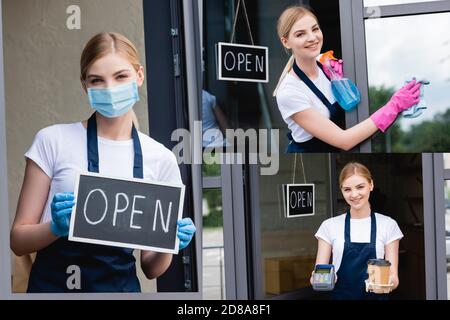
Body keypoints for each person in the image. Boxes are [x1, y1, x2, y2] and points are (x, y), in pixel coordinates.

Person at [9, 32, 196, 293]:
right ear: (85, 85)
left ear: (139, 76)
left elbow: (151, 269)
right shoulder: (52, 140)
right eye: (97, 80)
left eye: (121, 76)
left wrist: (171, 243)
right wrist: (55, 228)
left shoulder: (161, 158)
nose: (110, 89)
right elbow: (18, 240)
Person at [273, 6, 422, 153]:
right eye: (300, 34)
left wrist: (337, 77)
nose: (312, 38)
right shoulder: (289, 92)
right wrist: (393, 107)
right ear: (286, 42)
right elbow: (344, 140)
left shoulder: (326, 63)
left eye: (315, 29)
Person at [312, 162, 403, 300]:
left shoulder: (388, 225)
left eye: (360, 187)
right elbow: (318, 274)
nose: (354, 194)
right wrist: (319, 280)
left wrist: (386, 284)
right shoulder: (329, 226)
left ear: (371, 185)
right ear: (341, 190)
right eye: (347, 189)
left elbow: (393, 278)